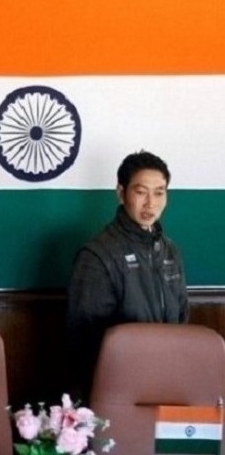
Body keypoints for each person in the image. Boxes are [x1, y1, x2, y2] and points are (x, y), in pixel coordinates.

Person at [66, 150, 189, 399]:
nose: (150, 203)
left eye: (159, 192)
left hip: (169, 378)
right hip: (118, 386)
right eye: (141, 192)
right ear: (121, 193)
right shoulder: (98, 254)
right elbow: (84, 339)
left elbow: (182, 318)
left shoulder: (170, 250)